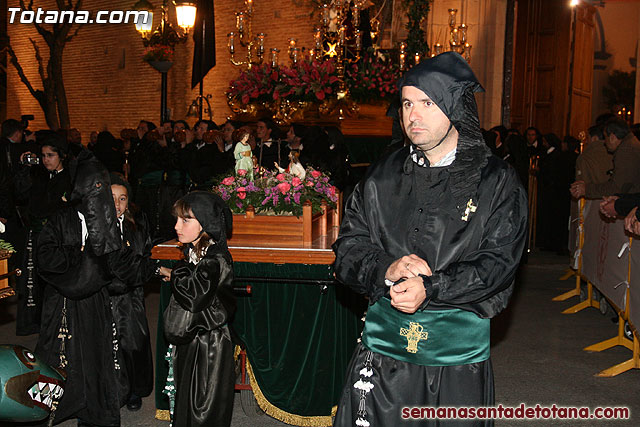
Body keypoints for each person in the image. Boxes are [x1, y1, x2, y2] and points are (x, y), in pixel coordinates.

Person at [332, 52, 527, 427]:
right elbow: (348, 249)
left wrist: (432, 286)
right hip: (384, 358)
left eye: (427, 103)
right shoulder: (381, 176)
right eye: (407, 103)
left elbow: (498, 263)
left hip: (455, 365)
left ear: (455, 108)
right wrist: (387, 267)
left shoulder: (496, 181)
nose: (413, 115)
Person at [35, 150, 124, 426]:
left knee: (95, 356)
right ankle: (49, 410)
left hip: (94, 302)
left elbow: (118, 263)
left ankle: (94, 411)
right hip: (62, 303)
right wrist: (80, 256)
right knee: (59, 357)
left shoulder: (106, 222)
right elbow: (45, 256)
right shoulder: (61, 219)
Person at [161, 191, 236, 427]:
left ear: (205, 223)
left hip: (209, 343)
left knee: (203, 405)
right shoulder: (196, 253)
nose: (177, 226)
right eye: (177, 219)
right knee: (186, 396)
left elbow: (194, 296)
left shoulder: (215, 259)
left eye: (185, 220)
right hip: (194, 338)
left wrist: (176, 272)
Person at [107, 172, 158, 412]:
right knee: (108, 345)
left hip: (131, 295)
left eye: (122, 199)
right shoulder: (95, 228)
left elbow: (145, 255)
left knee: (133, 342)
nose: (117, 204)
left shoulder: (136, 226)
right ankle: (112, 391)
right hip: (105, 295)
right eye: (112, 198)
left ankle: (134, 390)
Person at [13, 132, 72, 336]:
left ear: (61, 156)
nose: (46, 160)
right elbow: (21, 195)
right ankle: (36, 323)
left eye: (51, 155)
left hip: (59, 237)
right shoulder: (38, 175)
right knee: (35, 281)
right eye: (44, 155)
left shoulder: (69, 177)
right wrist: (24, 169)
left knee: (55, 280)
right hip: (37, 235)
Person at [570, 117, 640, 200]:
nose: (604, 143)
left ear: (612, 137)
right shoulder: (631, 144)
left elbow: (617, 187)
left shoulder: (626, 151)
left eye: (605, 137)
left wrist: (586, 189)